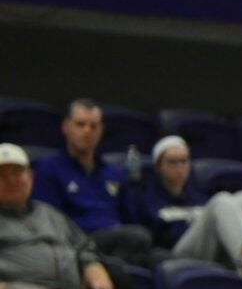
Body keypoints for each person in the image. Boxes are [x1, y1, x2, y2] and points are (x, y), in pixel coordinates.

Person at [0, 141, 123, 289]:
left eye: (17, 173)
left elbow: (83, 245)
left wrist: (93, 267)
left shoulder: (49, 213)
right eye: (2, 175)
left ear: (31, 178)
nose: (12, 180)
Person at [35, 99, 155, 269]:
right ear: (65, 127)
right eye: (80, 124)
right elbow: (50, 222)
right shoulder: (48, 169)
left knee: (162, 258)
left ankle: (115, 268)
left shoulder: (114, 173)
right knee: (139, 237)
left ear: (101, 130)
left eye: (93, 126)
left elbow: (129, 217)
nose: (87, 131)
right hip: (79, 242)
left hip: (120, 239)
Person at [125, 136, 208, 251]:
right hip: (175, 253)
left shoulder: (200, 198)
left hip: (208, 250)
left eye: (184, 161)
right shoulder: (147, 201)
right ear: (158, 166)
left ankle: (241, 258)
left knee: (240, 198)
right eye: (172, 162)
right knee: (221, 201)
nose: (180, 168)